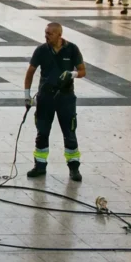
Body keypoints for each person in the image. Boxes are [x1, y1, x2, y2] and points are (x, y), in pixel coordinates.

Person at [23, 22, 85, 182]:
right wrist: (27, 96)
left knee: (69, 133)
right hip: (45, 98)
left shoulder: (72, 49)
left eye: (49, 33)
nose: (46, 36)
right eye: (45, 33)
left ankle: (74, 167)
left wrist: (72, 74)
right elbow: (30, 72)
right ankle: (40, 165)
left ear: (59, 34)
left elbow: (82, 71)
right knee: (42, 132)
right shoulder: (41, 50)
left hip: (66, 98)